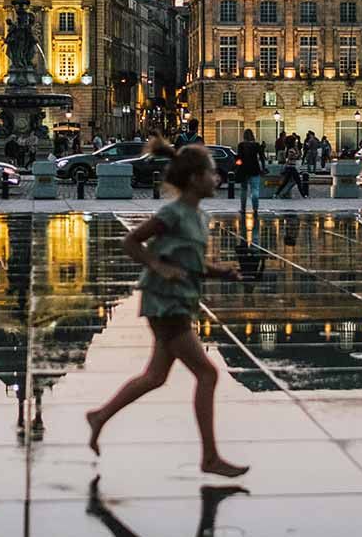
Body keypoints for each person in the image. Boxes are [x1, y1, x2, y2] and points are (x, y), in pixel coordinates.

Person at [85, 137, 248, 479]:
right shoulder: (171, 213)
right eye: (211, 174)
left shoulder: (198, 216)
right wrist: (157, 266)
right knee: (207, 374)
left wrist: (219, 271)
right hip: (165, 302)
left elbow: (190, 260)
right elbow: (130, 242)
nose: (217, 179)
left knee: (155, 377)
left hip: (179, 300)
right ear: (194, 179)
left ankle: (100, 416)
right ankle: (210, 457)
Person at [235, 128, 266, 216]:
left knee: (243, 190)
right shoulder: (256, 145)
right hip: (255, 169)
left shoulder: (241, 145)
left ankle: (243, 208)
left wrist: (237, 166)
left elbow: (239, 158)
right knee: (255, 189)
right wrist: (263, 168)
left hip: (243, 169)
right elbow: (262, 158)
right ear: (252, 136)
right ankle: (255, 208)